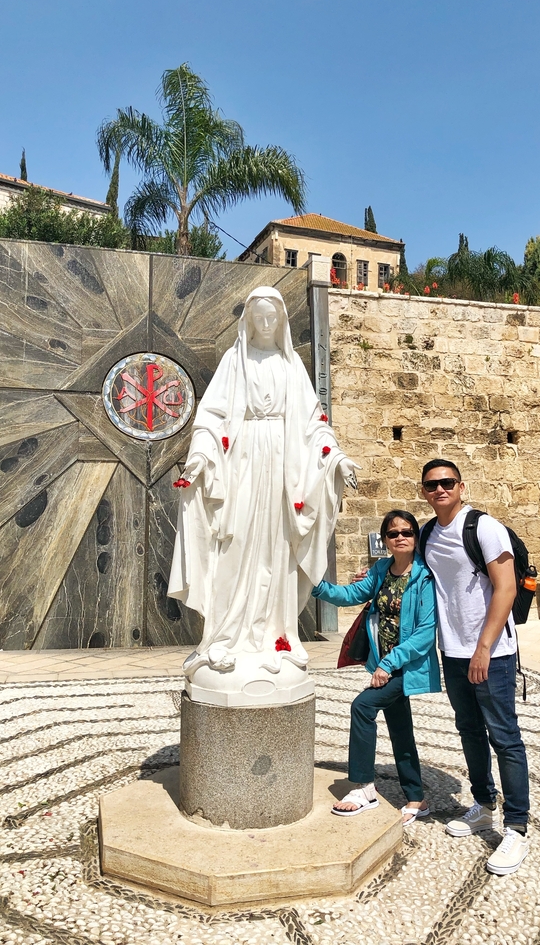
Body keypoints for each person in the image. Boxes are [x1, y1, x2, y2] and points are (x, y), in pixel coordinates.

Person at [168, 286, 357, 693]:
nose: (267, 324)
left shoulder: (291, 365)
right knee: (233, 544)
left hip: (283, 467)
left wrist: (336, 459)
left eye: (273, 318)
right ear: (249, 320)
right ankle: (224, 634)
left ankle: (275, 632)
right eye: (260, 317)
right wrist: (199, 458)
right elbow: (211, 418)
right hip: (241, 465)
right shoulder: (234, 360)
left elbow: (313, 424)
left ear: (282, 320)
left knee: (276, 547)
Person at [419, 459, 530, 875]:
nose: (440, 489)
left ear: (461, 487)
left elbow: (506, 587)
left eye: (447, 482)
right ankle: (483, 804)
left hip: (492, 653)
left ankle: (516, 827)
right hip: (453, 650)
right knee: (469, 730)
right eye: (432, 484)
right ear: (424, 492)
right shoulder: (428, 533)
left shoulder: (484, 527)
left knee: (504, 737)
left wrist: (483, 647)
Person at [312, 510, 440, 826]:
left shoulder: (424, 576)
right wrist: (315, 586)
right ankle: (416, 798)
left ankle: (363, 787)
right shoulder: (381, 570)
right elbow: (351, 594)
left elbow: (425, 633)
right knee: (400, 729)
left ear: (416, 537)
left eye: (407, 532)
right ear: (385, 540)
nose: (400, 538)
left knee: (363, 707)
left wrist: (387, 664)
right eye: (393, 533)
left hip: (405, 667)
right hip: (385, 664)